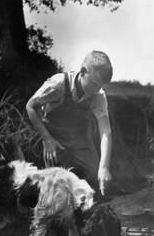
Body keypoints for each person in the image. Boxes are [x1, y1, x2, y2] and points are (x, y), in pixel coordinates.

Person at [26, 50, 113, 198]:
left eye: (100, 86)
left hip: (79, 137)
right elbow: (30, 107)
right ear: (83, 71)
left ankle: (84, 206)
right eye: (93, 84)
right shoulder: (58, 84)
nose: (96, 90)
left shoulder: (98, 95)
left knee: (93, 174)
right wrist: (47, 138)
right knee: (57, 182)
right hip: (55, 137)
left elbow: (105, 131)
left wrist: (104, 167)